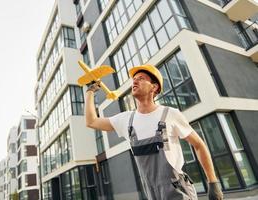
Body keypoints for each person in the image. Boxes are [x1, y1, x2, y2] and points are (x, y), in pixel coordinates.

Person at [85, 64, 223, 200]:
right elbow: (91, 121)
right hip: (151, 193)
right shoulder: (127, 119)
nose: (135, 81)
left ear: (154, 87)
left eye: (141, 78)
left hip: (178, 192)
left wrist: (213, 182)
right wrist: (90, 91)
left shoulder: (170, 114)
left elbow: (198, 144)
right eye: (134, 79)